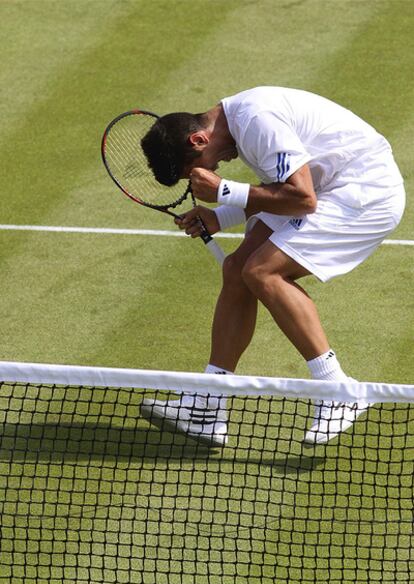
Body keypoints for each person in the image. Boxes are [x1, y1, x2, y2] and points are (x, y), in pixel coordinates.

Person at [140, 86, 405, 447]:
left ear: (200, 139)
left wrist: (223, 191)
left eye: (198, 170)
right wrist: (222, 216)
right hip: (330, 187)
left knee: (262, 270)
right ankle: (207, 406)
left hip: (363, 194)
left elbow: (302, 198)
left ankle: (338, 389)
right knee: (237, 269)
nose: (212, 171)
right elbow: (281, 189)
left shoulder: (256, 121)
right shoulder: (242, 124)